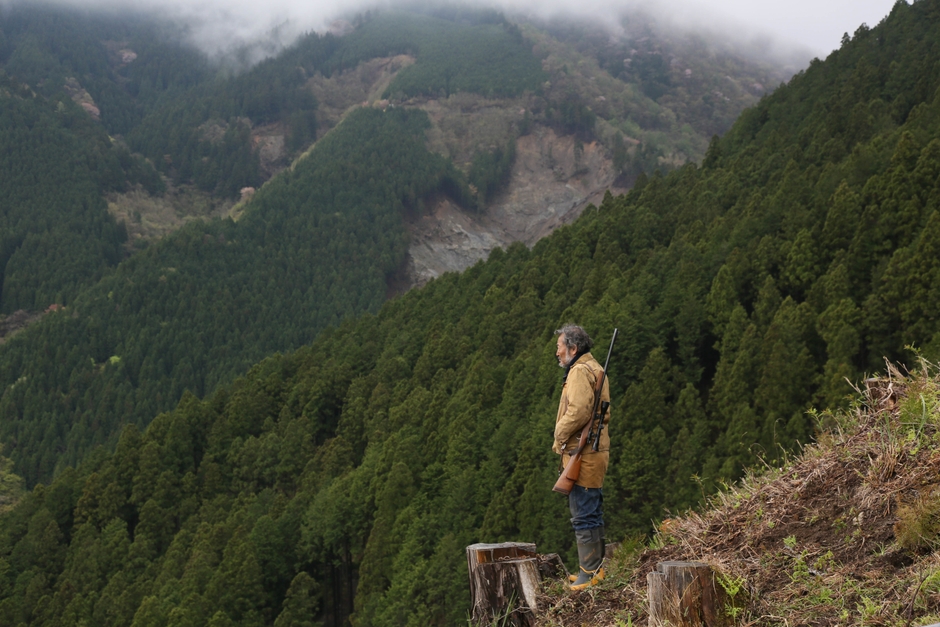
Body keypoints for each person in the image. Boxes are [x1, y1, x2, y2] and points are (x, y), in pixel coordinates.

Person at [552, 324, 611, 591]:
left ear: (573, 349)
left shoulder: (578, 372)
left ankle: (589, 572)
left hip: (583, 452)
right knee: (592, 511)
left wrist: (559, 436)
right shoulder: (594, 367)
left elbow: (578, 412)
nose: (557, 352)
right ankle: (593, 570)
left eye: (560, 347)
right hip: (594, 451)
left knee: (584, 514)